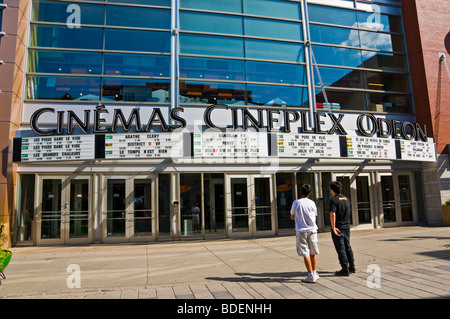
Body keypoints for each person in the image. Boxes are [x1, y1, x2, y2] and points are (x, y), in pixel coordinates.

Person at [290, 184, 319, 283]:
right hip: (313, 230)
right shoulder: (312, 203)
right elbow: (315, 215)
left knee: (305, 252)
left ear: (300, 192)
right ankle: (314, 272)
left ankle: (310, 275)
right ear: (310, 193)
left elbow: (292, 216)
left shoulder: (296, 203)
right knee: (313, 252)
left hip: (301, 230)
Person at [329, 181, 355, 276]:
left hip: (338, 227)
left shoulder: (333, 200)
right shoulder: (346, 199)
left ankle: (344, 268)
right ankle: (352, 266)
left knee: (341, 248)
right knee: (348, 246)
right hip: (346, 226)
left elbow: (332, 214)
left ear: (332, 190)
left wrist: (333, 227)